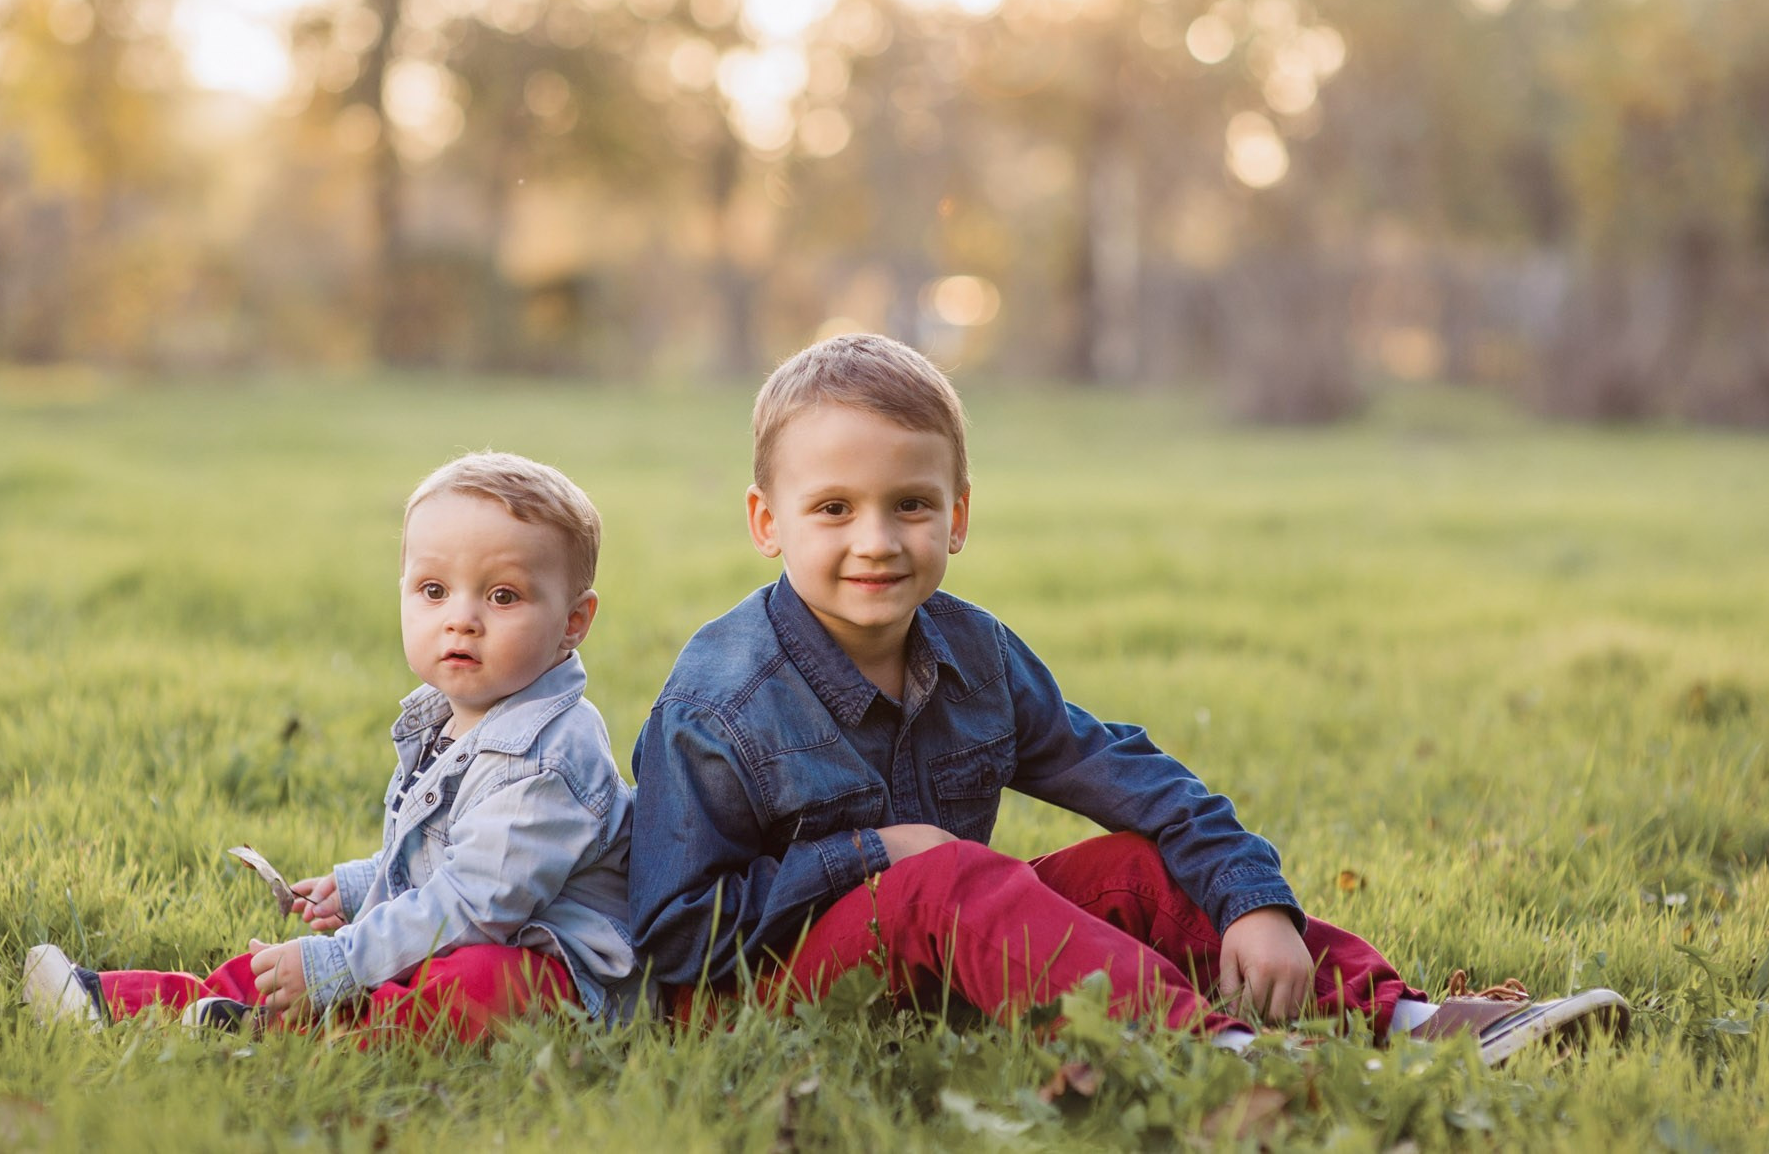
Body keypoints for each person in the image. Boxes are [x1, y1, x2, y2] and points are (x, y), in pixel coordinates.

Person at [627, 333, 1626, 1064]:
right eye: (833, 509)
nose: (877, 540)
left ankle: (1405, 1019)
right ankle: (1215, 1057)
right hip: (755, 1001)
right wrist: (874, 856)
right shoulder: (718, 703)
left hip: (937, 970)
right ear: (766, 521)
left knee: (1129, 866)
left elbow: (1130, 775)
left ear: (958, 516)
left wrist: (1252, 902)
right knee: (944, 880)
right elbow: (672, 935)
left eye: (911, 505)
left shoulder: (974, 654)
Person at [24, 452, 638, 1041]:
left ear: (574, 621)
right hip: (463, 931)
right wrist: (355, 886)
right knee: (286, 969)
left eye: (502, 596)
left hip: (554, 979)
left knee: (466, 982)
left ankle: (277, 1033)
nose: (461, 618)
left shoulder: (550, 755)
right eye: (433, 590)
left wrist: (339, 960)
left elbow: (476, 904)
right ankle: (121, 1003)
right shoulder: (457, 718)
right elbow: (448, 854)